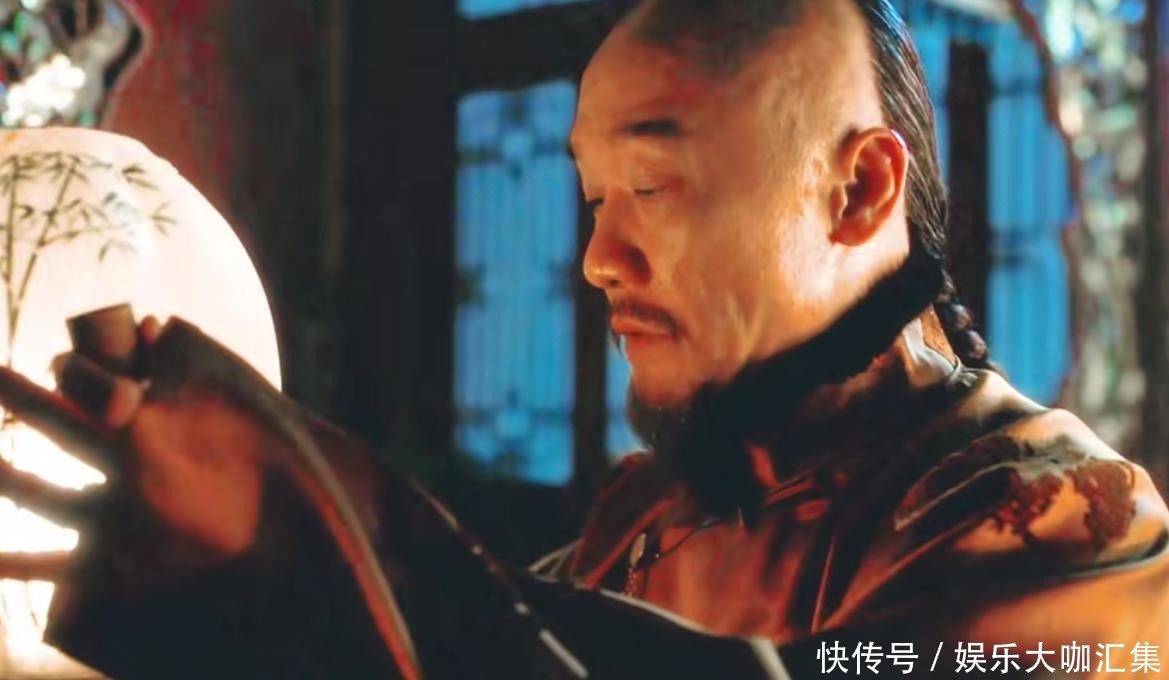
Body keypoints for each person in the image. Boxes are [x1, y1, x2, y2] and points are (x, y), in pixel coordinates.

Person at [0, 0, 1166, 678]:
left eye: (651, 187)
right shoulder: (646, 520)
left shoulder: (1068, 520)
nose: (599, 257)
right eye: (593, 197)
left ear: (857, 189)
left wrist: (333, 557)